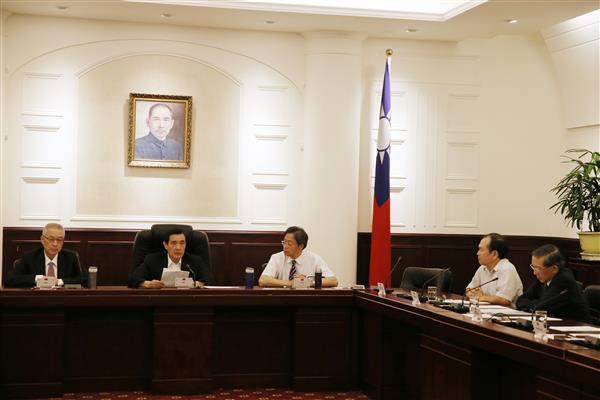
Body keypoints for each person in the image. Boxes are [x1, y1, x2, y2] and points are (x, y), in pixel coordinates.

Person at [516, 244, 590, 321]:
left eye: (538, 268)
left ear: (554, 268)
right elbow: (520, 300)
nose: (534, 273)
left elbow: (540, 308)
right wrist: (536, 303)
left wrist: (533, 304)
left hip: (576, 325)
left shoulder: (564, 281)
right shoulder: (543, 277)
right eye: (533, 267)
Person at [5, 223, 84, 288]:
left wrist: (59, 281)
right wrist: (37, 278)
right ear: (42, 240)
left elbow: (85, 279)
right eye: (51, 239)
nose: (55, 244)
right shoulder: (30, 257)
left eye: (59, 240)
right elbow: (10, 279)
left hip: (62, 299)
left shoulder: (71, 257)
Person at [129, 229, 212, 289]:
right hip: (159, 301)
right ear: (165, 245)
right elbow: (133, 279)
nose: (178, 247)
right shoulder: (152, 260)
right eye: (174, 243)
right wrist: (147, 284)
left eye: (182, 243)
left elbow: (209, 279)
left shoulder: (195, 261)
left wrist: (199, 283)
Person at [259, 226, 338, 288]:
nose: (285, 246)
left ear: (301, 246)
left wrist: (307, 282)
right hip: (282, 299)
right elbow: (263, 280)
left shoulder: (314, 259)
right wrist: (290, 283)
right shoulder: (276, 258)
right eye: (284, 242)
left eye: (289, 244)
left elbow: (333, 281)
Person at [466, 233, 523, 306]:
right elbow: (469, 290)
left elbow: (504, 300)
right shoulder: (482, 268)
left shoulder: (507, 268)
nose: (477, 253)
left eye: (481, 250)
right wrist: (473, 293)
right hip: (486, 309)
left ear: (494, 254)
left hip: (506, 312)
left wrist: (481, 297)